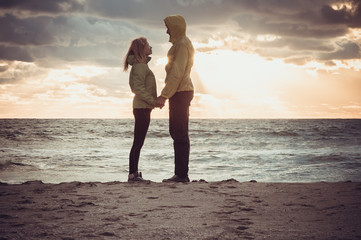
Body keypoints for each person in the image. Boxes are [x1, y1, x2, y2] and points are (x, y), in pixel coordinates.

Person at [156, 15, 195, 183]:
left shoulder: (182, 45)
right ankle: (180, 173)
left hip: (181, 91)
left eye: (169, 27)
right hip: (179, 91)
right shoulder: (181, 44)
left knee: (179, 132)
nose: (166, 31)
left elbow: (177, 73)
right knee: (177, 131)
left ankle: (181, 175)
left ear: (176, 27)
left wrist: (164, 95)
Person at [124, 37, 162, 182]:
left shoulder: (141, 65)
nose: (151, 47)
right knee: (138, 142)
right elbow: (137, 88)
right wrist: (153, 101)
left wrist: (153, 102)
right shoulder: (140, 66)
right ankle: (132, 174)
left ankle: (134, 173)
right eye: (148, 45)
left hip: (144, 107)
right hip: (142, 107)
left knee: (138, 142)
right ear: (141, 49)